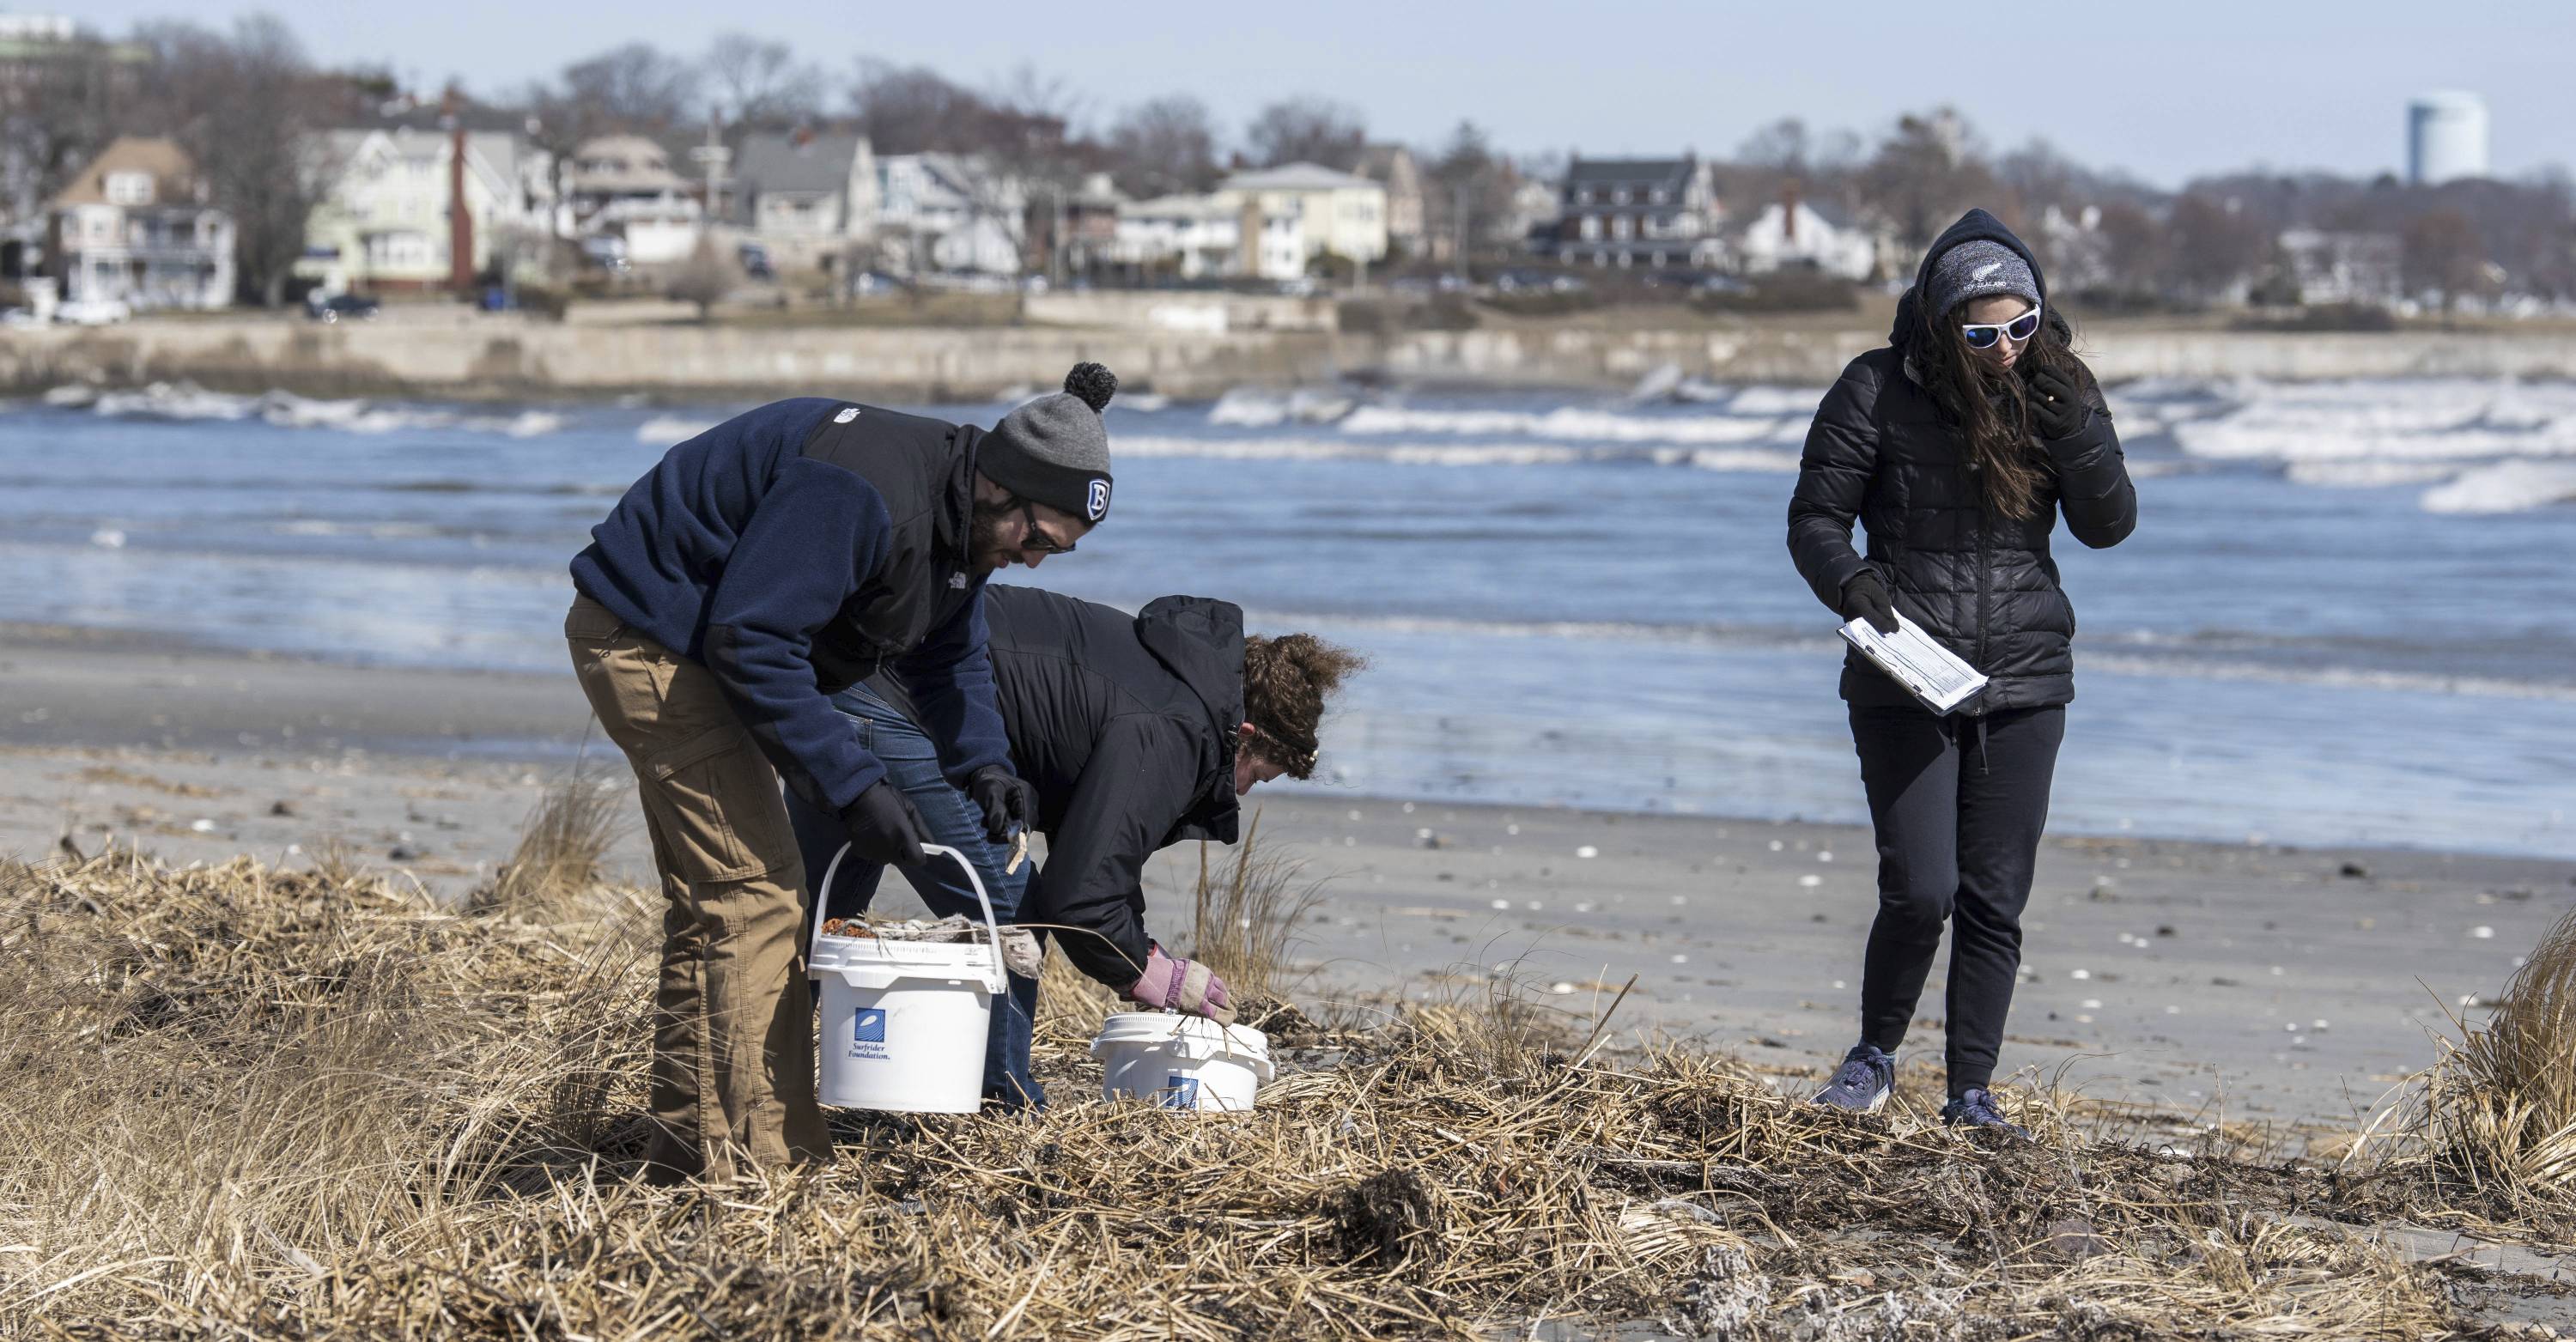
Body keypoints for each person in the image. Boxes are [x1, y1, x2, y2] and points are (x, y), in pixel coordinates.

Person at [564, 363, 1120, 1181]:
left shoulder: (966, 524)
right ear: (1003, 486)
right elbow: (749, 639)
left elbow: (948, 652)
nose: (1036, 561)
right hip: (651, 632)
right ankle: (761, 1161)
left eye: (1057, 552)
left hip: (708, 641)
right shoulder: (867, 491)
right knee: (757, 897)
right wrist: (855, 785)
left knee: (717, 901)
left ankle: (688, 1146)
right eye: (1035, 538)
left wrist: (987, 766)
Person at [1787, 209, 2137, 1135]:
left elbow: (2109, 526)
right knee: (1922, 887)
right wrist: (1854, 587)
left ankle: (1970, 1095)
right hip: (1906, 672)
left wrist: (2079, 438)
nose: (2007, 348)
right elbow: (1815, 518)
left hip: (2027, 674)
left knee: (1995, 897)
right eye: (1983, 333)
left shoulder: (2058, 386)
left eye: (2022, 326)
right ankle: (1872, 1059)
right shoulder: (1874, 387)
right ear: (1945, 323)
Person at [784, 584, 1366, 1108]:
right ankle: (1002, 1107)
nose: (1241, 792)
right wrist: (1148, 970)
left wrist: (1141, 952)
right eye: (1255, 775)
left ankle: (756, 1084)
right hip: (902, 701)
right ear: (1245, 735)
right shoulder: (1177, 729)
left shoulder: (1179, 681)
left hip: (846, 678)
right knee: (1011, 916)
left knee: (807, 920)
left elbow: (1096, 856)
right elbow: (1075, 898)